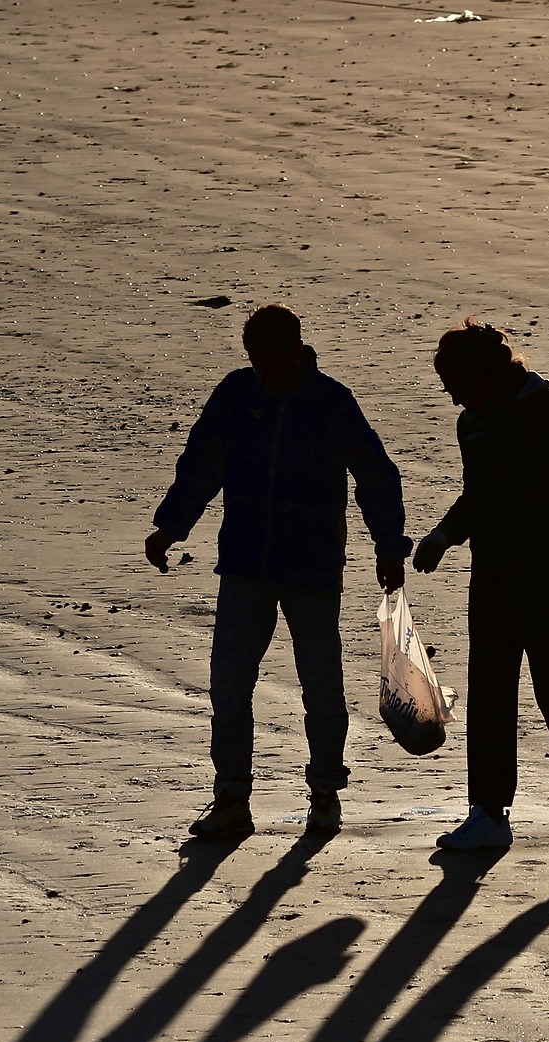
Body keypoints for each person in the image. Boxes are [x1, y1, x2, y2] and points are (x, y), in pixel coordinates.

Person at [146, 304, 408, 839]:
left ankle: (326, 793)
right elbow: (202, 463)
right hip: (244, 562)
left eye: (271, 358)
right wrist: (172, 525)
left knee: (321, 685)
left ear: (297, 350)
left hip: (312, 565)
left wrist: (389, 544)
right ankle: (231, 799)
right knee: (229, 684)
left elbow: (376, 475)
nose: (263, 369)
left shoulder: (330, 401)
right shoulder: (237, 393)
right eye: (255, 359)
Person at [411, 320, 549, 849]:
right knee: (489, 694)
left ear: (484, 373)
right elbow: (479, 496)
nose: (450, 394)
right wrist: (443, 534)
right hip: (494, 574)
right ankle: (488, 813)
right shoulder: (473, 424)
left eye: (455, 382)